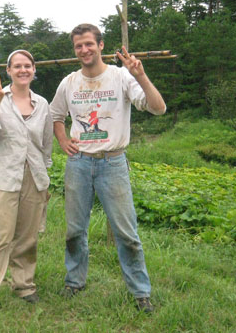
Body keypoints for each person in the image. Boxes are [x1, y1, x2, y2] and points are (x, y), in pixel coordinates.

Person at [50, 23, 166, 313]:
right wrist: (63, 139)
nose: (84, 50)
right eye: (78, 46)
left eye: (89, 43)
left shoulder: (121, 77)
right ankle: (74, 282)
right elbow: (55, 114)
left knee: (127, 233)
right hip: (78, 164)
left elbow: (158, 108)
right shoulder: (69, 82)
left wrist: (141, 75)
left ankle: (140, 293)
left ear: (101, 45)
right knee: (75, 230)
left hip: (112, 163)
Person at [0, 50, 53, 320]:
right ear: (8, 71)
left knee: (28, 237)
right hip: (3, 178)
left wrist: (44, 170)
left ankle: (24, 286)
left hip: (34, 178)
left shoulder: (41, 103)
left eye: (27, 65)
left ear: (33, 69)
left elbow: (46, 141)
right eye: (17, 66)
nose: (23, 70)